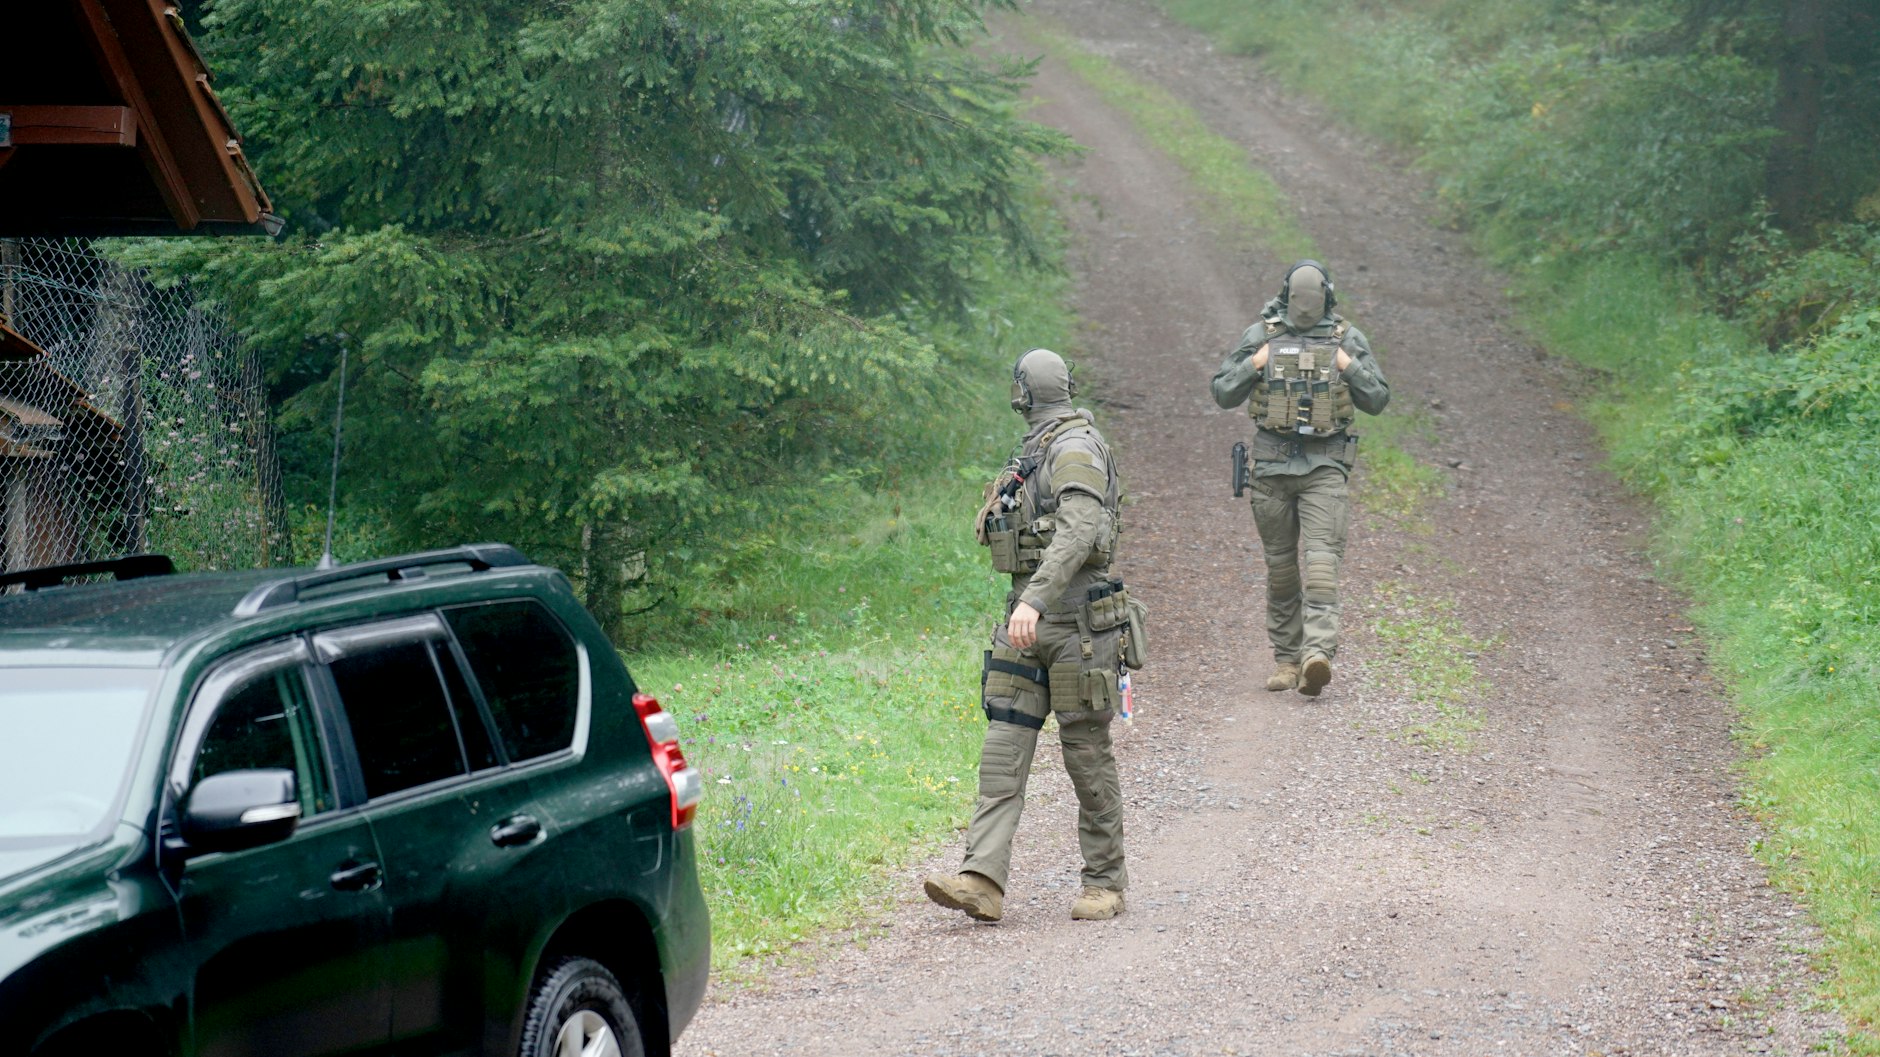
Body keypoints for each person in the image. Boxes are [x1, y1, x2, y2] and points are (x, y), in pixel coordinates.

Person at [924, 348, 1132, 923]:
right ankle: (981, 880)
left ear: (1023, 391)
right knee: (1002, 752)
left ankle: (1105, 883)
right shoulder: (1037, 450)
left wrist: (1036, 599)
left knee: (1086, 756)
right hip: (1028, 626)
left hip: (1077, 630)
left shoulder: (1074, 449)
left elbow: (1081, 529)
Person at [1211, 261, 1390, 696]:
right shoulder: (1262, 336)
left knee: (1322, 565)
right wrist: (1257, 362)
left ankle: (1316, 656)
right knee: (1282, 570)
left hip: (1324, 466)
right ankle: (1287, 661)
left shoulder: (1346, 339)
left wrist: (1346, 365)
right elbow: (1222, 392)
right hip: (1272, 466)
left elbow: (1377, 398)